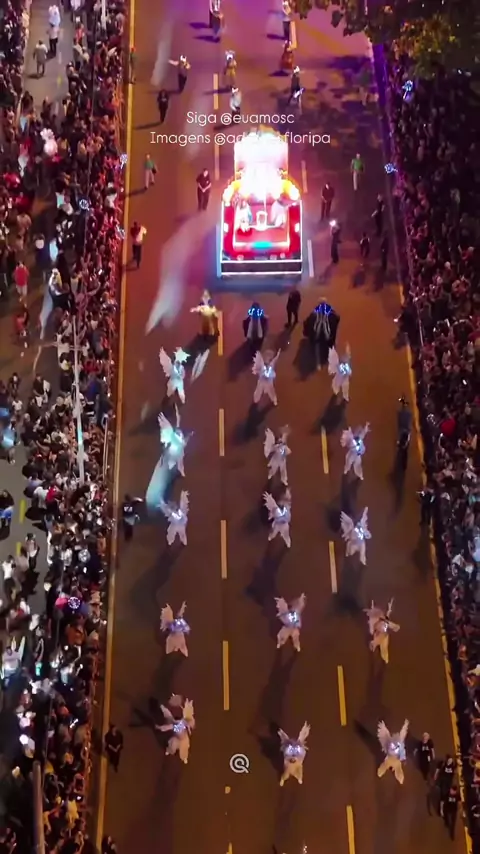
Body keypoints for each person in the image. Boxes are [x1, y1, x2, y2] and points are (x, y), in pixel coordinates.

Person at [377, 720, 409, 784]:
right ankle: (379, 773)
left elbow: (402, 751)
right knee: (384, 766)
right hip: (389, 759)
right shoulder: (390, 743)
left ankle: (401, 779)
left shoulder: (399, 744)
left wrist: (403, 759)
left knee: (398, 770)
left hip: (396, 760)